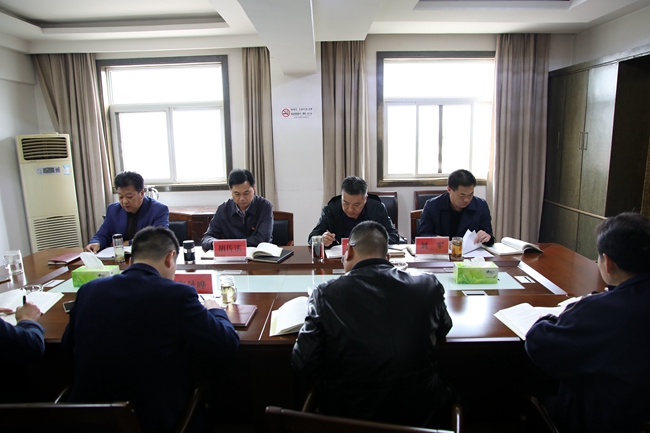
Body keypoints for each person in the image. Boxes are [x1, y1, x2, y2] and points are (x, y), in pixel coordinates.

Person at [63, 227, 240, 433]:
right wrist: (215, 310)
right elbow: (227, 344)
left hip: (87, 418)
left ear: (131, 260)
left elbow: (67, 347)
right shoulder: (178, 295)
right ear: (170, 258)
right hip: (151, 420)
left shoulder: (88, 290)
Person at [292, 221, 455, 429]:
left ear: (349, 252)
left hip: (346, 417)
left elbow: (303, 364)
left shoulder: (325, 294)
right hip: (421, 415)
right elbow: (443, 328)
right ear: (388, 258)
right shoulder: (427, 286)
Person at [525, 212, 650, 433]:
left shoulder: (603, 310)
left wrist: (559, 315)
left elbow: (539, 344)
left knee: (528, 387)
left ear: (607, 262)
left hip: (604, 419)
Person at [85, 171, 169, 253]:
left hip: (147, 256)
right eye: (121, 197)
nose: (124, 201)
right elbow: (103, 234)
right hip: (119, 258)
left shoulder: (159, 209)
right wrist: (96, 243)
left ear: (142, 193)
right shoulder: (113, 210)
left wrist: (128, 243)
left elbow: (159, 238)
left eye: (129, 196)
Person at [308, 176, 400, 246]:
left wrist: (375, 240)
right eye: (346, 203)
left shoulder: (377, 208)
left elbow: (394, 236)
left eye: (356, 204)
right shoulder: (331, 209)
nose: (350, 209)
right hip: (339, 259)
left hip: (369, 257)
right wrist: (322, 239)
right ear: (341, 197)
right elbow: (312, 237)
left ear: (365, 199)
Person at [201, 168, 273, 250]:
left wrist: (232, 245)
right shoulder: (223, 209)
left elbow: (263, 239)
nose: (242, 198)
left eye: (246, 193)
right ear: (230, 190)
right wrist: (215, 244)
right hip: (232, 255)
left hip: (258, 254)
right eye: (237, 194)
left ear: (254, 188)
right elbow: (207, 238)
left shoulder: (265, 206)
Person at [417, 169, 494, 245]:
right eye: (462, 195)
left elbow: (489, 236)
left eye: (471, 194)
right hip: (442, 251)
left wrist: (487, 237)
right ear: (449, 190)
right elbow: (423, 235)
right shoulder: (432, 206)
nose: (467, 200)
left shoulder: (481, 206)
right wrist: (440, 240)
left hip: (470, 252)